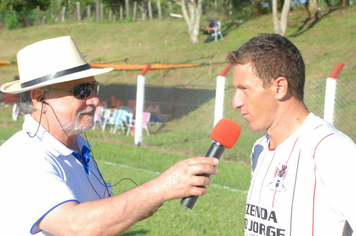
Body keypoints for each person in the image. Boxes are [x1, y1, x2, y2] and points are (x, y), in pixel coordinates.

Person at [0, 36, 219, 235]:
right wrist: (161, 187)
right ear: (39, 98)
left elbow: (99, 217)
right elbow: (77, 226)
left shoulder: (77, 146)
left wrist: (143, 203)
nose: (95, 99)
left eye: (94, 87)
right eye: (81, 90)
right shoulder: (21, 156)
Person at [226, 33, 356, 236]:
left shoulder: (333, 151)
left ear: (279, 87)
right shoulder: (259, 148)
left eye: (245, 89)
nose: (236, 102)